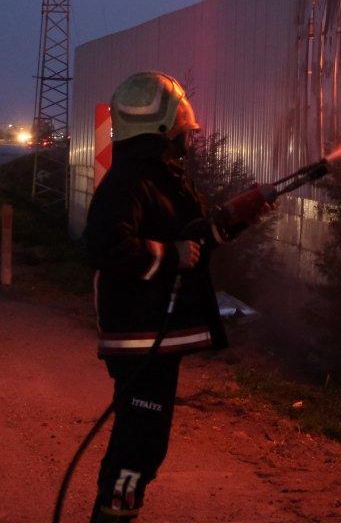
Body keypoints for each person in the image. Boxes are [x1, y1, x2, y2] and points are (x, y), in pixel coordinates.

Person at [84, 72, 261, 521]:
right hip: (139, 337)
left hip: (152, 338)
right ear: (163, 131)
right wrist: (168, 255)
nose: (189, 141)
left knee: (144, 441)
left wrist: (243, 212)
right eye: (183, 133)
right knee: (138, 445)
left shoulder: (158, 178)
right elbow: (105, 246)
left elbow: (192, 238)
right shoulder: (129, 181)